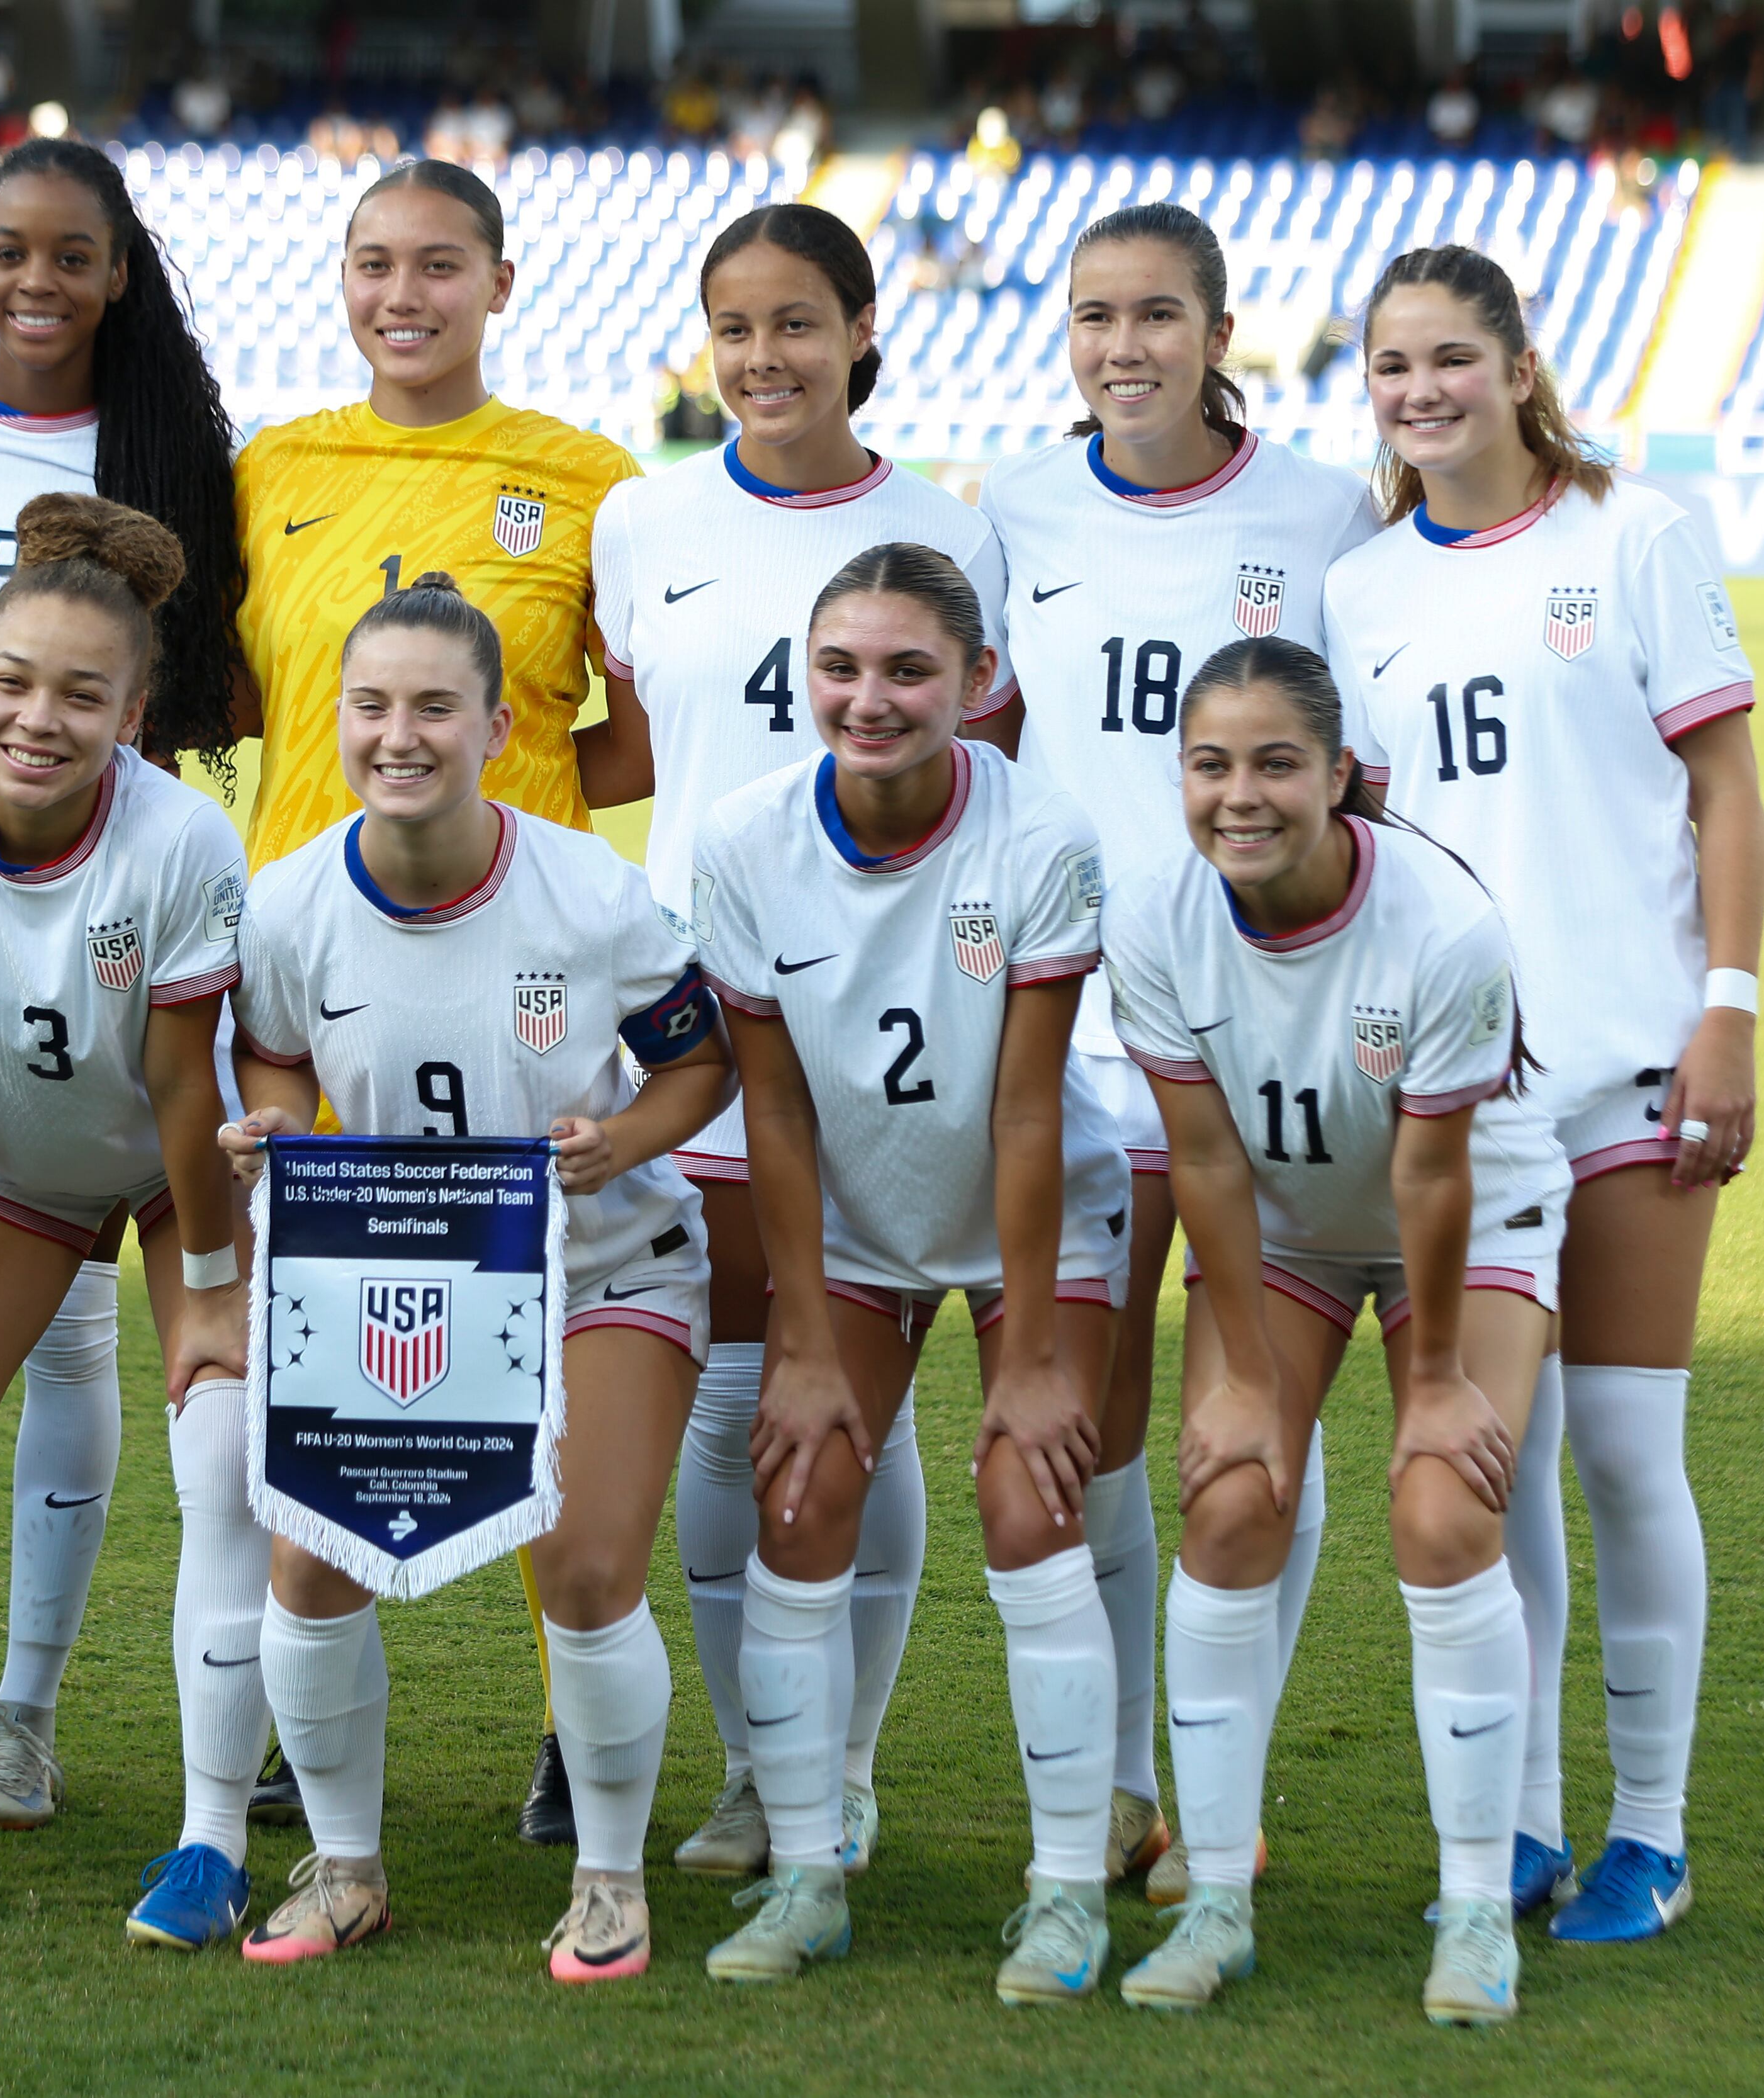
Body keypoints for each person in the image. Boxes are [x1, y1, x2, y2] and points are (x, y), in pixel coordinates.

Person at [1323, 244, 1764, 1944]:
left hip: (1635, 1064)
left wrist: (1727, 1012)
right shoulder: (1363, 589)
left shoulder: (1633, 533)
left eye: (1451, 358)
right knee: (1490, 1466)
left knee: (1633, 1457)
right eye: (1390, 367)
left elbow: (1726, 792)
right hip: (1458, 1098)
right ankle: (1518, 1823)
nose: (1421, 391)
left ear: (1520, 365)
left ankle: (1649, 1834)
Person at [576, 200, 1014, 1887]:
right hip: (689, 1021)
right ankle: (758, 1767)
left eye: (797, 325)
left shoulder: (939, 526)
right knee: (728, 1397)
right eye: (735, 326)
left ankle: (839, 1759)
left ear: (859, 336)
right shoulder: (643, 516)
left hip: (883, 1021)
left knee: (861, 1411)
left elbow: (993, 766)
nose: (764, 358)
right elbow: (627, 750)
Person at [220, 576, 731, 1975]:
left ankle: (613, 1880)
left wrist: (616, 1138)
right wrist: (276, 1121)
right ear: (334, 720)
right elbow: (269, 1045)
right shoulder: (288, 903)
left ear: (498, 726)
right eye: (371, 705)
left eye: (435, 706)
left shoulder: (589, 892)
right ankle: (344, 1871)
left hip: (600, 1269)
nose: (400, 734)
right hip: (397, 1285)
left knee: (580, 1560)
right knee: (309, 1559)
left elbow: (700, 1059)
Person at [0, 132, 254, 1837]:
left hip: (115, 907)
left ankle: (29, 1714)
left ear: (117, 270)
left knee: (114, 1366)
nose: (35, 277)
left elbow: (216, 678)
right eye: (10, 246)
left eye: (71, 253)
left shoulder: (171, 448)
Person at [230, 155, 643, 1843]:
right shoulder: (273, 469)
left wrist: (520, 783)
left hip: (520, 992)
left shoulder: (590, 480)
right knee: (326, 1368)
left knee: (538, 1368)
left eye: (440, 266)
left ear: (501, 279)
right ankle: (288, 1724)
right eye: (373, 264)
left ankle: (573, 1713)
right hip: (318, 998)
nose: (404, 295)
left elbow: (646, 719)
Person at [976, 200, 1379, 1900]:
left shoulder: (1324, 510)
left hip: (1255, 1032)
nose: (1122, 346)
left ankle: (1230, 1774)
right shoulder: (1020, 502)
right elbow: (992, 741)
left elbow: (1363, 768)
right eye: (1092, 316)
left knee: (1251, 1409)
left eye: (1156, 314)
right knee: (1111, 1422)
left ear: (1218, 331)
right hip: (1073, 1034)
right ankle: (1134, 1778)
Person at [1103, 635, 1568, 2023]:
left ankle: (1479, 1908)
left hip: (1466, 1214)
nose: (1238, 795)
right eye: (1209, 763)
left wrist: (1429, 1382)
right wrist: (1246, 1374)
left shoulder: (1440, 926)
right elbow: (1204, 1161)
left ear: (1340, 777)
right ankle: (1219, 1896)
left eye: (1274, 764)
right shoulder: (1156, 918)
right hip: (1288, 1223)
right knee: (1231, 1497)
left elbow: (1433, 1173)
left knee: (1441, 1508)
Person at [690, 543, 1132, 2001]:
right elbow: (773, 1108)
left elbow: (1022, 1108)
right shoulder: (745, 839)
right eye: (840, 667)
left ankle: (1066, 1891)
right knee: (804, 1483)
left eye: (907, 671)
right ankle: (810, 1868)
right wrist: (805, 1335)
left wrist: (1026, 1357)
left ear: (978, 683)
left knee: (1028, 1489)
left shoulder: (1042, 838)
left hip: (1032, 1212)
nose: (868, 700)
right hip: (854, 1216)